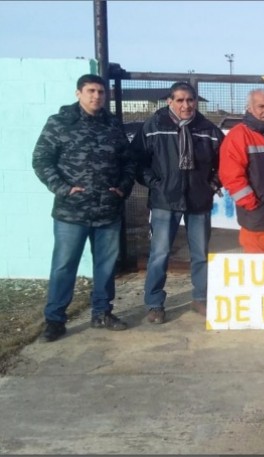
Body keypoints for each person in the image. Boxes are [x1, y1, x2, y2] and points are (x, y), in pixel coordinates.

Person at [32, 74, 135, 341]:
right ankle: (54, 320)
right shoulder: (60, 123)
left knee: (105, 266)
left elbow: (129, 161)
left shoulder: (113, 125)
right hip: (71, 212)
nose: (96, 96)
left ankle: (102, 312)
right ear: (78, 93)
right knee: (64, 266)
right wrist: (63, 189)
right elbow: (41, 160)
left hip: (107, 211)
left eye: (101, 92)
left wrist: (122, 188)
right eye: (90, 91)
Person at [131, 81, 224, 323]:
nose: (186, 105)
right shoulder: (153, 126)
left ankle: (200, 299)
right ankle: (154, 304)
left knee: (201, 254)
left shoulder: (207, 129)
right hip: (165, 200)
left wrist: (211, 185)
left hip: (198, 201)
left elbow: (224, 162)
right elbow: (137, 160)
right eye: (180, 100)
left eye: (190, 100)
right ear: (169, 101)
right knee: (160, 254)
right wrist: (154, 183)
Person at [219, 89, 264, 253]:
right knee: (258, 271)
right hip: (257, 218)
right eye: (261, 106)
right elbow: (231, 176)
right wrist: (251, 204)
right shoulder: (238, 135)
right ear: (249, 108)